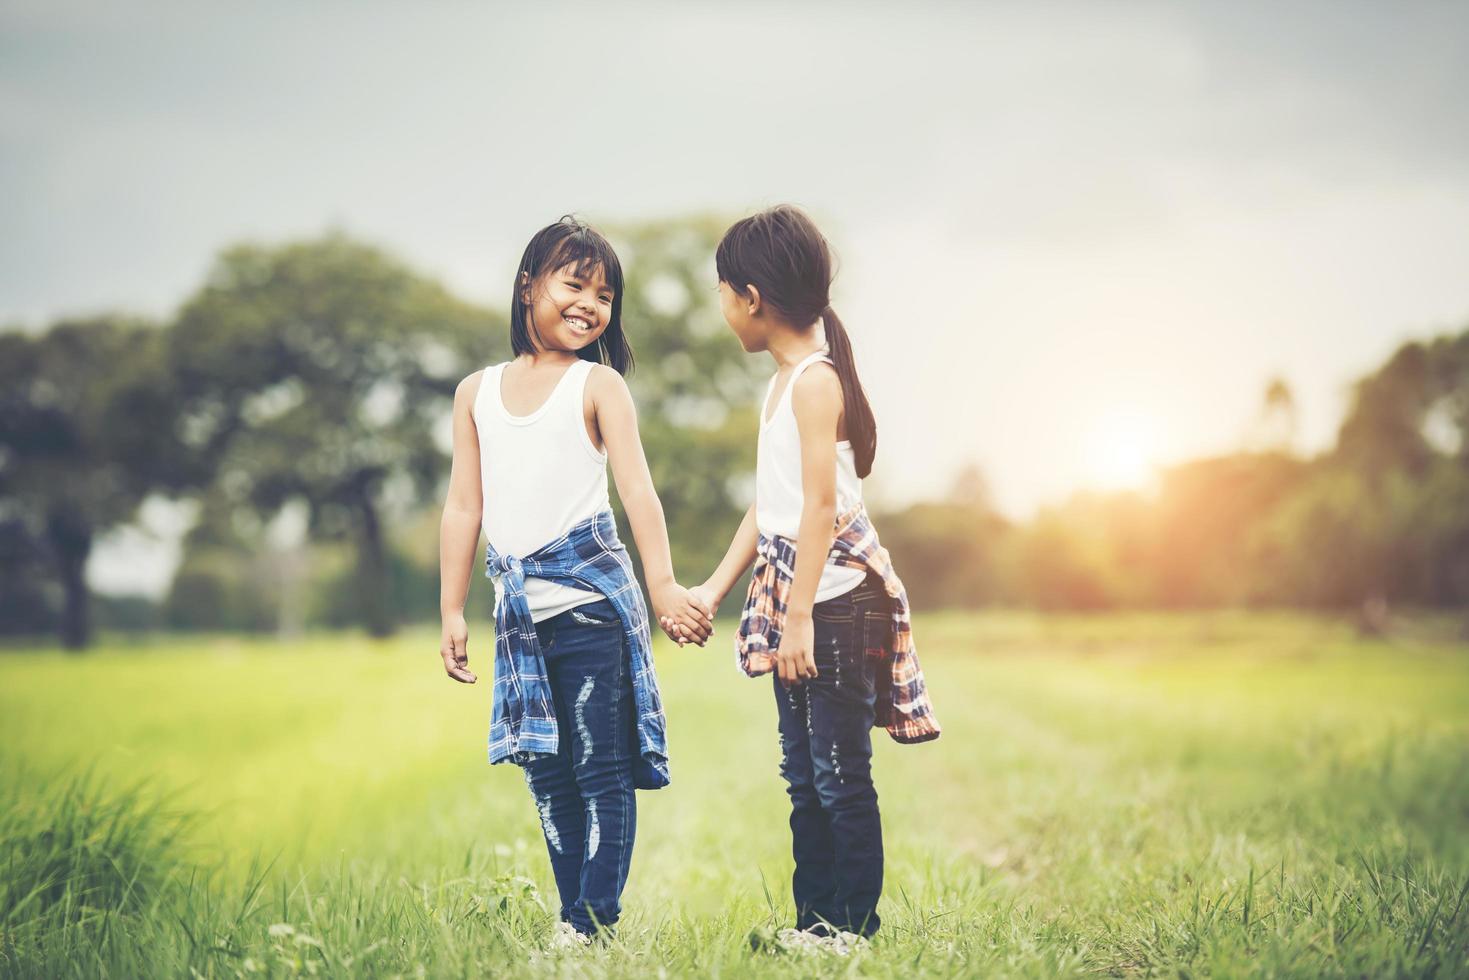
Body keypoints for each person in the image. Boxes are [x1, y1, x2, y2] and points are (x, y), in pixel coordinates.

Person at [667, 205, 940, 942]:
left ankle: (850, 930)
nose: (723, 310)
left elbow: (818, 510)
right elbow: (770, 510)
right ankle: (815, 926)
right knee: (803, 778)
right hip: (807, 601)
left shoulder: (815, 383)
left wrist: (797, 620)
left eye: (723, 293)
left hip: (837, 607)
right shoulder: (784, 383)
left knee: (838, 776)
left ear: (751, 297)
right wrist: (711, 590)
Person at [438, 215, 712, 944]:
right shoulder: (476, 393)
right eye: (574, 283)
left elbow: (638, 495)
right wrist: (451, 610)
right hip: (519, 620)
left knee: (599, 769)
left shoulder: (599, 386)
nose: (590, 303)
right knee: (547, 774)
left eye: (604, 293)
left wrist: (663, 587)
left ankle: (590, 921)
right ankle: (577, 921)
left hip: (590, 611)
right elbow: (464, 504)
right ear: (529, 286)